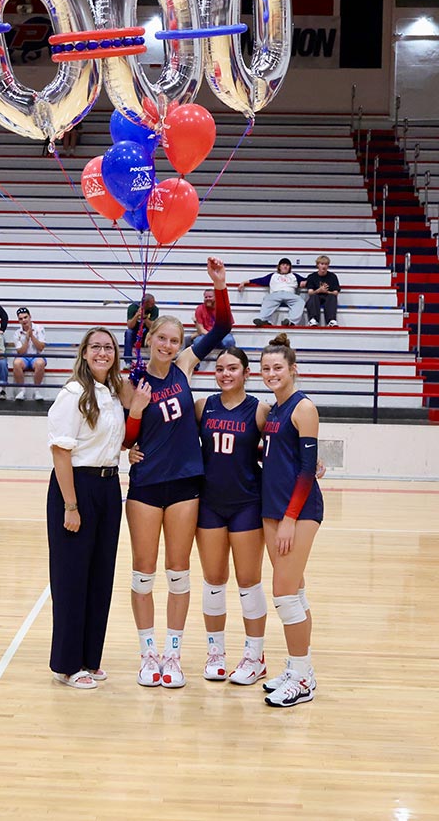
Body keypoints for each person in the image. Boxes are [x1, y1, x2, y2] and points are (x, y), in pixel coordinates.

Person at [123, 257, 233, 689]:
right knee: (142, 572)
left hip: (187, 484)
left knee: (178, 570)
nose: (168, 345)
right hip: (146, 484)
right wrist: (133, 424)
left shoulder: (187, 365)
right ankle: (147, 653)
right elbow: (124, 439)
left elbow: (222, 327)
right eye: (162, 338)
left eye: (175, 339)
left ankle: (173, 654)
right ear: (149, 337)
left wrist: (219, 285)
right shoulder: (130, 380)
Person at [46, 327, 150, 689]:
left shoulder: (112, 392)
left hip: (109, 486)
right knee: (72, 578)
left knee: (100, 576)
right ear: (85, 353)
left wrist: (128, 448)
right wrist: (71, 505)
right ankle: (67, 664)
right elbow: (61, 451)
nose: (103, 352)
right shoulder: (72, 394)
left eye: (109, 347)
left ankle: (90, 658)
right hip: (77, 486)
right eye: (96, 347)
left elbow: (113, 437)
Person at [194, 347, 271, 685]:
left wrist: (312, 463)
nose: (225, 374)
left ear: (246, 372)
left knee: (248, 582)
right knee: (213, 581)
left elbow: (285, 446)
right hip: (209, 503)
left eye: (233, 368)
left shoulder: (260, 410)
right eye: (220, 369)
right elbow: (171, 439)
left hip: (246, 504)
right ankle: (216, 652)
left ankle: (255, 656)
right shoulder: (203, 407)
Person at [259, 332, 323, 708]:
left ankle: (301, 679)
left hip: (297, 512)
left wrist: (289, 518)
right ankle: (302, 668)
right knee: (295, 591)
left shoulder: (303, 407)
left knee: (283, 594)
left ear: (292, 369)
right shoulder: (274, 409)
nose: (271, 373)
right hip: (273, 508)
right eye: (266, 368)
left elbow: (305, 471)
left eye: (278, 367)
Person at [237, 258, 306, 327]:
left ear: (290, 267)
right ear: (279, 266)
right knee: (267, 299)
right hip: (275, 294)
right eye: (283, 265)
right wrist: (245, 282)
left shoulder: (294, 276)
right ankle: (264, 320)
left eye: (287, 265)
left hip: (290, 294)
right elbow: (260, 280)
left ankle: (291, 322)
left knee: (300, 301)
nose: (285, 266)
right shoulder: (273, 275)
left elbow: (308, 280)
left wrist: (306, 282)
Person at [12, 307, 47, 401]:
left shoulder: (39, 328)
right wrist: (27, 339)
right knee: (16, 363)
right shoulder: (17, 333)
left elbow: (41, 347)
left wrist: (32, 336)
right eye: (21, 319)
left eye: (25, 317)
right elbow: (20, 352)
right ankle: (21, 391)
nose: (24, 320)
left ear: (30, 317)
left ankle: (37, 391)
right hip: (24, 357)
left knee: (40, 363)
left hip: (37, 356)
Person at [193, 288, 236, 352]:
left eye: (210, 297)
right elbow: (201, 330)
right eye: (206, 297)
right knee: (197, 341)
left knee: (229, 340)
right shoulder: (199, 309)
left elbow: (227, 328)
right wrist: (212, 337)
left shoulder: (223, 308)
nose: (207, 299)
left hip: (221, 335)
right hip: (206, 335)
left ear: (216, 298)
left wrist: (217, 337)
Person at [305, 255, 341, 327]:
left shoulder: (332, 276)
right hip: (316, 297)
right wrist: (319, 290)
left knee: (332, 297)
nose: (324, 266)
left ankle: (331, 320)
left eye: (326, 264)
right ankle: (313, 320)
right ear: (318, 265)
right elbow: (310, 292)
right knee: (313, 296)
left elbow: (336, 292)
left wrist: (326, 292)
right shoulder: (312, 276)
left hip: (328, 297)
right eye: (322, 264)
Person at [124, 293, 159, 362]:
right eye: (151, 303)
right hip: (135, 334)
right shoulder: (133, 307)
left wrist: (145, 318)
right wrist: (136, 315)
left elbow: (152, 327)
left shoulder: (155, 309)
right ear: (145, 303)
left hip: (147, 335)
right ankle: (128, 361)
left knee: (155, 333)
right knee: (128, 332)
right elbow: (130, 326)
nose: (153, 305)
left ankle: (153, 360)